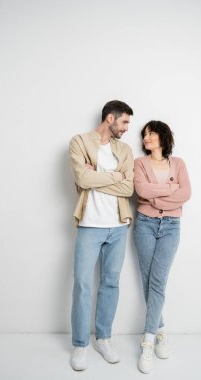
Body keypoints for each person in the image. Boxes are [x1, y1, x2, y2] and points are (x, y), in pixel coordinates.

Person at [69, 100, 134, 371]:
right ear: (110, 118)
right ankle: (81, 344)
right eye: (124, 122)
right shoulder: (80, 142)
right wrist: (114, 176)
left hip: (118, 226)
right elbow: (83, 180)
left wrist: (100, 175)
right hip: (90, 224)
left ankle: (103, 338)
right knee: (83, 284)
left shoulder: (125, 149)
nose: (127, 129)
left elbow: (128, 187)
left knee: (110, 283)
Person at [133, 120, 191, 374]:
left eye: (151, 133)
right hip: (144, 224)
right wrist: (170, 189)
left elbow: (186, 193)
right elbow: (140, 191)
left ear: (162, 136)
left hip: (171, 227)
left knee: (158, 280)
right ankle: (160, 330)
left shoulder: (178, 163)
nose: (146, 138)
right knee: (149, 280)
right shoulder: (139, 163)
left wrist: (156, 196)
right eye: (144, 135)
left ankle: (148, 339)